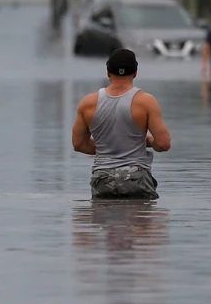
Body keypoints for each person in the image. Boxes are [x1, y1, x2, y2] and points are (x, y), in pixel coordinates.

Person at [71, 49, 172, 199]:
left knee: (102, 219)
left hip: (102, 178)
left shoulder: (88, 103)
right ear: (135, 73)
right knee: (145, 219)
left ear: (108, 73)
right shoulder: (146, 102)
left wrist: (110, 149)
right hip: (135, 177)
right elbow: (163, 144)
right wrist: (149, 141)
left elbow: (78, 144)